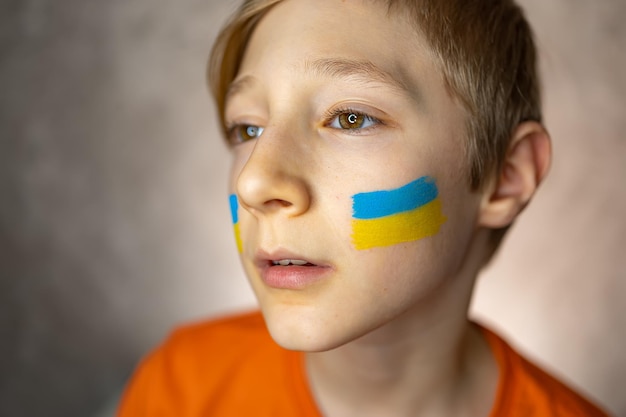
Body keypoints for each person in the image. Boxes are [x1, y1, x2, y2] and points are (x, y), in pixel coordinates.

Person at [117, 0, 611, 415]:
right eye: (248, 128)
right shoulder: (181, 387)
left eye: (351, 118)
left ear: (505, 178)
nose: (254, 180)